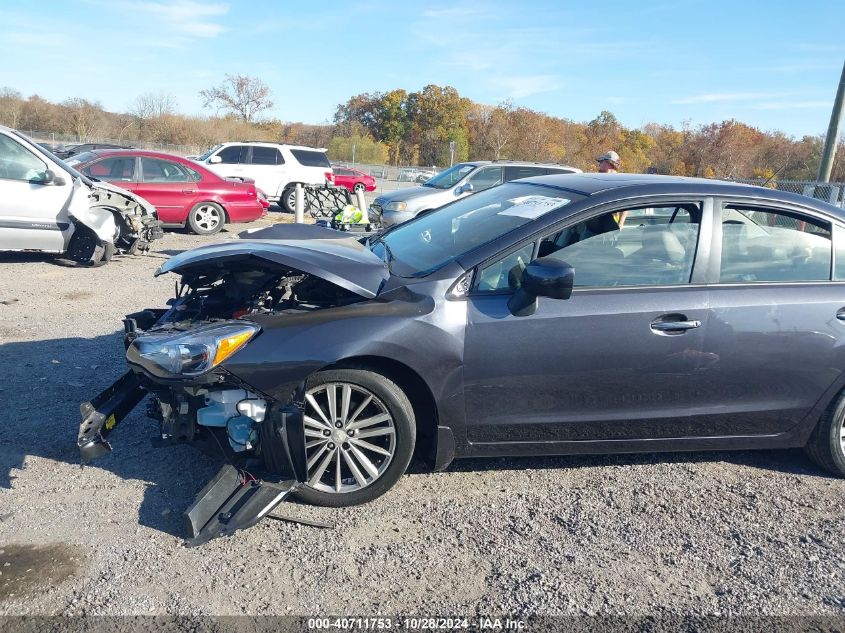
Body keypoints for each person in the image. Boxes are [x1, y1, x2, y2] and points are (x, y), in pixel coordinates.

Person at [596, 150, 626, 227]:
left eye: (601, 162)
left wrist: (620, 225)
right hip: (594, 225)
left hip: (609, 229)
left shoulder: (620, 183)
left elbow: (625, 207)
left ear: (608, 163)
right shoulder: (598, 180)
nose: (599, 164)